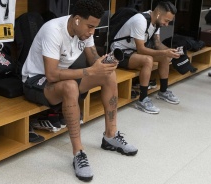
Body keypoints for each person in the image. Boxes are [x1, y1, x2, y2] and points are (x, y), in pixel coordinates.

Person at [21, 0, 138, 181]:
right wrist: (90, 71)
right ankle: (78, 153)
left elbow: (92, 58)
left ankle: (110, 136)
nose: (92, 32)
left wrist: (103, 63)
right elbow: (51, 75)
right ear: (76, 20)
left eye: (95, 27)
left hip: (64, 77)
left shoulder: (85, 31)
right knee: (70, 86)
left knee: (109, 76)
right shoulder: (53, 30)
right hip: (36, 80)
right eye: (90, 27)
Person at [110, 1, 180, 114]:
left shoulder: (157, 22)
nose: (166, 24)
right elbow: (141, 49)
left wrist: (170, 51)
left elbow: (157, 44)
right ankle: (142, 100)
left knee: (164, 57)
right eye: (166, 21)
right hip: (119, 53)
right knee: (148, 60)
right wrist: (164, 52)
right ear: (158, 14)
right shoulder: (140, 20)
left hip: (133, 52)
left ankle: (163, 91)